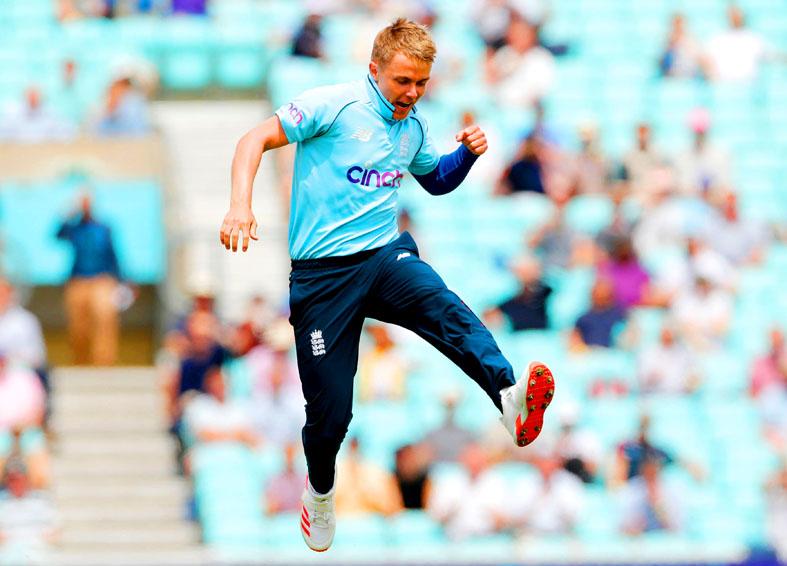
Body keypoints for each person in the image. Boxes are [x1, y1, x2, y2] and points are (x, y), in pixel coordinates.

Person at [219, 18, 557, 552]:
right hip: (322, 277)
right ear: (375, 68)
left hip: (382, 257)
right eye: (403, 81)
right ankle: (320, 491)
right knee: (332, 412)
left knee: (443, 306)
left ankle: (508, 396)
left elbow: (436, 179)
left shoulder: (413, 126)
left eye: (421, 83)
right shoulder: (334, 106)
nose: (412, 93)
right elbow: (253, 138)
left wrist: (466, 155)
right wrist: (240, 205)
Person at [55, 193, 122, 366]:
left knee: (104, 320)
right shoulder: (73, 229)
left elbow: (113, 254)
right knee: (78, 326)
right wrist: (68, 214)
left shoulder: (103, 228)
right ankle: (81, 362)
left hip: (102, 279)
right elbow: (57, 235)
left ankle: (104, 363)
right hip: (78, 280)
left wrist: (122, 279)